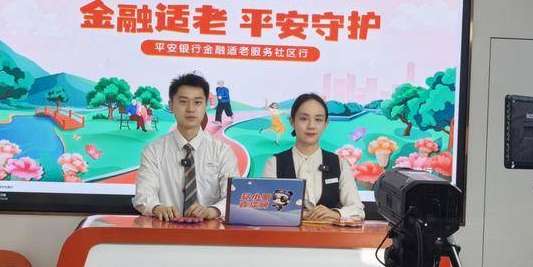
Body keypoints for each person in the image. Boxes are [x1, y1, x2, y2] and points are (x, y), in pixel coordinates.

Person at [133, 73, 239, 221]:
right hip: (166, 230)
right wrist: (157, 208)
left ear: (205, 106)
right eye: (183, 102)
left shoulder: (222, 152)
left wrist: (213, 210)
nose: (190, 109)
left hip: (210, 232)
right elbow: (143, 195)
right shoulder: (154, 150)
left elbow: (233, 197)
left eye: (197, 102)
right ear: (171, 105)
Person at [262, 93, 365, 222]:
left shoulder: (340, 163)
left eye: (318, 119)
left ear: (326, 124)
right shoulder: (274, 163)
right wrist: (300, 215)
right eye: (304, 119)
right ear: (292, 122)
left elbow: (357, 210)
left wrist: (336, 214)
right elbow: (266, 208)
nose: (311, 125)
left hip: (330, 234)